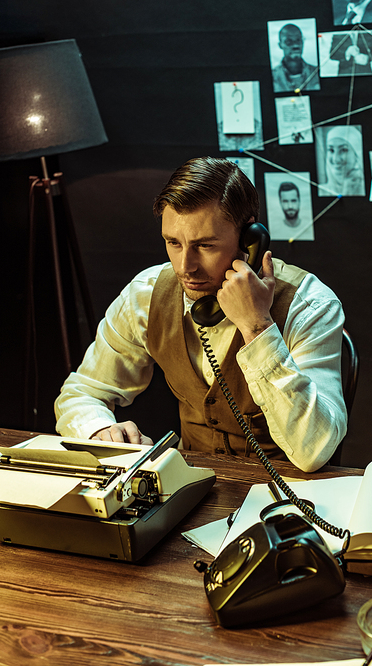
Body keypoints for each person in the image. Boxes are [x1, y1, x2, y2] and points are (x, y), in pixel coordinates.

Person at [55, 157, 347, 472]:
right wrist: (98, 429)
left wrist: (257, 327)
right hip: (190, 482)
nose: (185, 267)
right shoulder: (144, 296)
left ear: (249, 238)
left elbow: (315, 450)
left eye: (205, 245)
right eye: (173, 243)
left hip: (286, 492)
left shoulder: (311, 306)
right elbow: (80, 393)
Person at [272, 23, 320, 93]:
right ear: (280, 45)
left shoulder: (317, 73)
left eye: (298, 40)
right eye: (289, 41)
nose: (295, 45)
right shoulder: (272, 77)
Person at [319, 126, 365, 196]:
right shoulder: (321, 191)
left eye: (343, 150)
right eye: (331, 150)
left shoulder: (367, 189)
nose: (335, 159)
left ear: (357, 154)